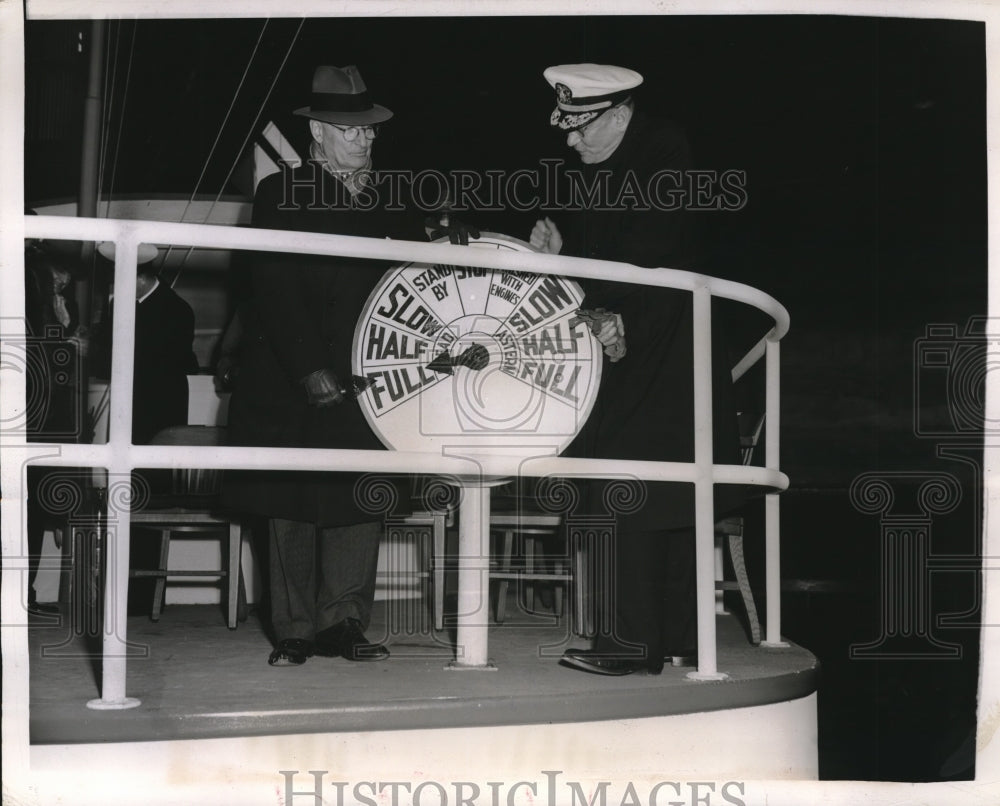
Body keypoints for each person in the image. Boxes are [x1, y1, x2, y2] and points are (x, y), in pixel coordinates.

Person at [221, 65, 467, 668]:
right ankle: (294, 628)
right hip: (290, 375)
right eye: (349, 129)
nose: (365, 139)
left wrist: (456, 237)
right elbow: (273, 288)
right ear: (318, 135)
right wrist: (308, 367)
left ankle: (344, 623)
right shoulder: (280, 193)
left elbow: (414, 278)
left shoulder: (393, 199)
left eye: (369, 130)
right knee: (291, 504)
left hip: (370, 376)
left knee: (360, 498)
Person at [530, 64, 743, 676]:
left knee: (629, 482)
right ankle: (677, 635)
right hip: (664, 346)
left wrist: (564, 264)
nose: (570, 142)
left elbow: (643, 256)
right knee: (671, 490)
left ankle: (631, 643)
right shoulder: (629, 159)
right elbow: (630, 259)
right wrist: (571, 264)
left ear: (618, 114)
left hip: (658, 347)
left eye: (580, 129)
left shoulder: (661, 150)